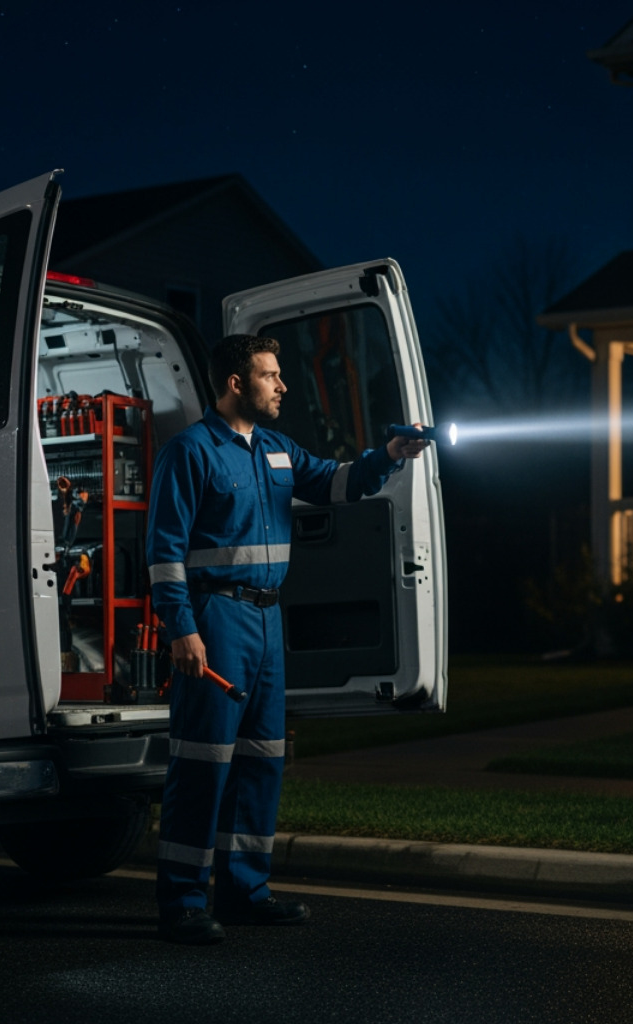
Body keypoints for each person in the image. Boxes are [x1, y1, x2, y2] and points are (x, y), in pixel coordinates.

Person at [146, 333, 428, 945]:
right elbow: (164, 554)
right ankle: (183, 901)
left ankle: (245, 891)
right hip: (216, 620)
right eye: (271, 375)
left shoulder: (276, 448)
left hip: (269, 623)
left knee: (262, 760)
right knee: (202, 762)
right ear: (236, 383)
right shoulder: (190, 452)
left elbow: (336, 482)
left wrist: (389, 454)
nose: (282, 385)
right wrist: (182, 630)